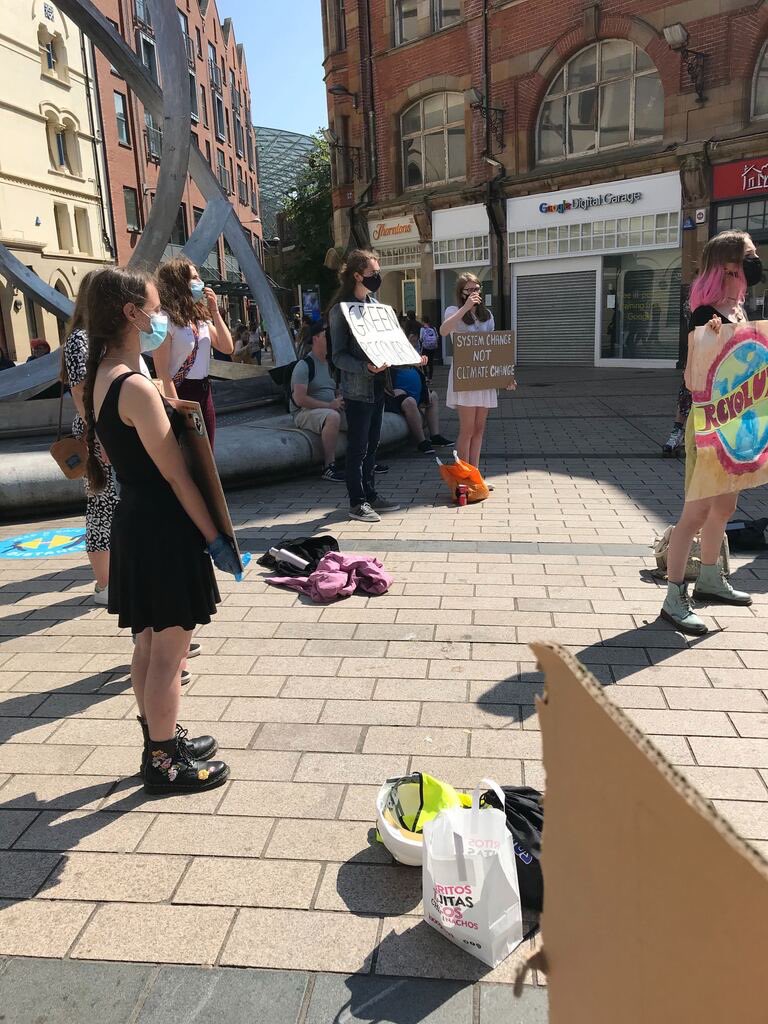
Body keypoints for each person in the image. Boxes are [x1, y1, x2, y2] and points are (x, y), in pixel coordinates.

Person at [82, 266, 240, 793]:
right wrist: (216, 536)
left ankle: (160, 738)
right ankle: (164, 762)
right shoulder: (136, 386)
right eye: (155, 308)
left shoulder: (106, 374)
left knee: (148, 646)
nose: (161, 317)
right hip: (164, 530)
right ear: (131, 313)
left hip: (136, 523)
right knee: (169, 657)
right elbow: (176, 474)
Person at [660, 230, 761, 635]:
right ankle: (673, 595)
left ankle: (710, 579)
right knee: (695, 514)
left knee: (725, 508)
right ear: (729, 265)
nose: (755, 263)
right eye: (749, 256)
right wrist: (710, 343)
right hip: (708, 425)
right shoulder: (705, 314)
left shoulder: (738, 310)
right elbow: (690, 376)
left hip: (737, 425)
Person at [328, 249, 402, 523]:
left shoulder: (376, 306)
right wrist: (364, 367)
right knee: (358, 448)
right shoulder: (341, 311)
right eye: (372, 273)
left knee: (372, 445)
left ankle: (370, 494)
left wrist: (407, 356)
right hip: (358, 389)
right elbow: (337, 356)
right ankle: (357, 501)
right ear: (357, 275)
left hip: (378, 386)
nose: (377, 277)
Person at [63, 271, 113, 605]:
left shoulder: (95, 335)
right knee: (100, 505)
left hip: (104, 430)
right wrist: (99, 437)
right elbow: (81, 392)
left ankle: (111, 580)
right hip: (97, 432)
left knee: (108, 504)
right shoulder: (81, 339)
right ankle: (104, 585)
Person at [153, 258, 234, 448]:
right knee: (186, 454)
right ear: (179, 283)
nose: (200, 282)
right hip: (181, 392)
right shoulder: (165, 319)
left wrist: (214, 311)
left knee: (206, 455)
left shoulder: (199, 315)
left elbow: (227, 347)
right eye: (194, 278)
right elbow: (163, 372)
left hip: (204, 392)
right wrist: (177, 408)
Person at [440, 274, 514, 468]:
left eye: (477, 289)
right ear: (461, 293)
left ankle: (475, 473)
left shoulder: (487, 315)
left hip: (483, 376)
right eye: (469, 290)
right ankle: (463, 475)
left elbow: (493, 350)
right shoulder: (453, 311)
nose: (474, 293)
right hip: (465, 375)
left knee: (479, 429)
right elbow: (444, 331)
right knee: (467, 429)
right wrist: (465, 308)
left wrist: (505, 376)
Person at [291, 321, 347, 482]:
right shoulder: (304, 365)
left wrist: (341, 398)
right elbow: (299, 399)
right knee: (333, 417)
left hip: (328, 408)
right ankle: (329, 466)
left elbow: (333, 390)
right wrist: (329, 405)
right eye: (325, 335)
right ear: (315, 338)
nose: (330, 339)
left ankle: (363, 460)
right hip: (304, 413)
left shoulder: (329, 365)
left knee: (359, 414)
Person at [387, 340, 452, 454]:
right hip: (396, 394)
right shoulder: (388, 357)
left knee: (433, 396)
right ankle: (421, 442)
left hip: (414, 392)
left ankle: (435, 435)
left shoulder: (409, 358)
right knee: (409, 402)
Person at [419, 316, 439, 382]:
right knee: (431, 363)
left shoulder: (422, 329)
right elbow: (437, 337)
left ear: (423, 321)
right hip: (432, 348)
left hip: (425, 347)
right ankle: (430, 378)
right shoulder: (433, 328)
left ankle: (426, 376)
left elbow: (421, 338)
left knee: (424, 361)